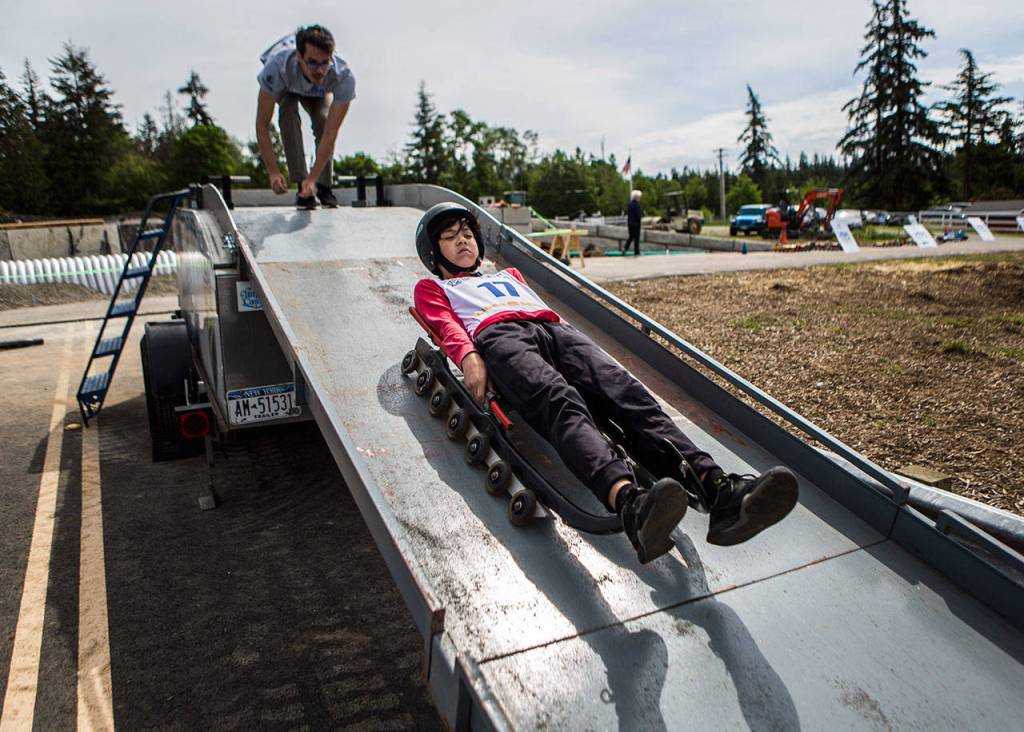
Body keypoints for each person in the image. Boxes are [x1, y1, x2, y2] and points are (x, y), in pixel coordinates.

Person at [413, 203, 799, 564]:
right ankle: (630, 503)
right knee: (559, 400)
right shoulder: (434, 288)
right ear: (435, 252)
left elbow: (552, 316)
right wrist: (469, 357)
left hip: (553, 329)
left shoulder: (507, 275)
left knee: (627, 394)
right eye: (450, 235)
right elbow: (446, 325)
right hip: (499, 338)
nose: (463, 239)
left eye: (467, 232)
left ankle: (720, 490)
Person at [255, 25, 355, 210]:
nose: (319, 70)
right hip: (287, 87)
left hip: (319, 92)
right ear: (299, 57)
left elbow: (330, 134)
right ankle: (301, 184)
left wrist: (314, 178)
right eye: (313, 62)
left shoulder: (342, 76)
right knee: (288, 112)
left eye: (325, 62)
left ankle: (324, 186)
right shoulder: (276, 69)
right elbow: (262, 125)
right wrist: (273, 173)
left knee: (322, 121)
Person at [625, 189, 643, 256]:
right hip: (636, 224)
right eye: (639, 197)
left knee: (631, 237)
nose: (639, 199)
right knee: (636, 238)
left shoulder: (629, 204)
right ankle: (636, 252)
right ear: (636, 197)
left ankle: (625, 248)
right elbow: (638, 216)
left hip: (630, 223)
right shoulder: (637, 205)